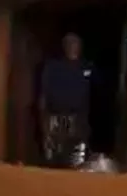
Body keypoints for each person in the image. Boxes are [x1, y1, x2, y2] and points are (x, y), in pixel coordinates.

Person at [37, 33, 92, 167]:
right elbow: (44, 92)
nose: (73, 47)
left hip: (77, 118)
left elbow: (91, 93)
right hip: (55, 116)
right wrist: (43, 117)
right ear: (64, 47)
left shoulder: (86, 67)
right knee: (52, 155)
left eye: (75, 44)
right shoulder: (53, 67)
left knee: (75, 158)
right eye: (69, 44)